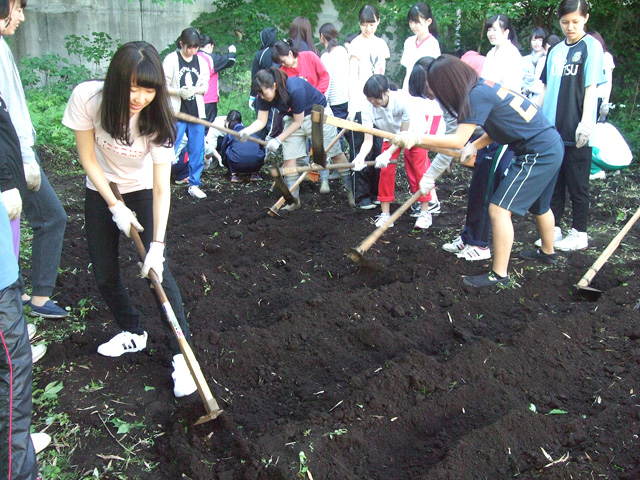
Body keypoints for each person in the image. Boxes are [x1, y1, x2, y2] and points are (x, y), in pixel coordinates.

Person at [62, 41, 197, 398]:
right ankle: (133, 332)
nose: (140, 97)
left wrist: (157, 246)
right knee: (104, 272)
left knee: (158, 274)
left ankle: (181, 357)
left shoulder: (158, 119)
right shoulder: (88, 99)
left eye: (149, 89)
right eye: (133, 87)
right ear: (117, 80)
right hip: (101, 187)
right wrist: (113, 206)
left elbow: (161, 188)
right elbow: (88, 157)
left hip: (139, 188)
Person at [393, 54, 565, 287]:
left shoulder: (474, 96)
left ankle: (499, 276)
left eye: (434, 87)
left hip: (537, 152)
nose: (435, 93)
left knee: (498, 209)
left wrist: (416, 137)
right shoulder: (484, 87)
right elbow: (500, 126)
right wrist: (475, 145)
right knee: (540, 206)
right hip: (550, 144)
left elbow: (456, 140)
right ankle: (548, 252)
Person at [0, 0, 68, 319]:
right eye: (18, 8)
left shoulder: (2, 46)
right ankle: (34, 300)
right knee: (52, 217)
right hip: (13, 158)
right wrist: (26, 159)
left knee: (11, 227)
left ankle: (17, 293)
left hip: (15, 154)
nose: (22, 17)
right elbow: (7, 114)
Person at [441, 14, 520, 262]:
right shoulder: (493, 54)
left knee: (487, 186)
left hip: (501, 129)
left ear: (508, 31)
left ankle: (480, 244)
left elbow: (510, 96)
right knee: (477, 185)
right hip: (488, 125)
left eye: (496, 29)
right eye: (489, 29)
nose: (492, 33)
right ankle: (468, 236)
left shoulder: (512, 56)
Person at [538, 0, 605, 251]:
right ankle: (553, 228)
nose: (570, 27)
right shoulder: (555, 51)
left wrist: (587, 122)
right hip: (552, 129)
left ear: (585, 19)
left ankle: (580, 232)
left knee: (578, 183)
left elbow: (592, 87)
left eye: (575, 22)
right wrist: (534, 117)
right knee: (554, 180)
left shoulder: (591, 47)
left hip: (576, 127)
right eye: (565, 22)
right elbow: (544, 88)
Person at [239, 67, 354, 211]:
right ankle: (293, 201)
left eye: (264, 93)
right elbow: (261, 121)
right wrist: (247, 131)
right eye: (259, 94)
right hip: (291, 118)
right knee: (289, 160)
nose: (262, 97)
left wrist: (278, 139)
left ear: (274, 85)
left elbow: (299, 122)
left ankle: (351, 192)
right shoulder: (262, 97)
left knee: (335, 154)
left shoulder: (294, 89)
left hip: (316, 114)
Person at [352, 74, 440, 230]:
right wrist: (360, 157)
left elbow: (403, 135)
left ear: (387, 92)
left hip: (414, 133)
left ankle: (425, 212)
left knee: (418, 169)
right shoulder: (367, 107)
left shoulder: (403, 101)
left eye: (376, 99)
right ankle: (386, 215)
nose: (373, 102)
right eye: (370, 99)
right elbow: (368, 140)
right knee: (385, 171)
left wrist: (386, 154)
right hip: (390, 135)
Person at [348, 4, 390, 210]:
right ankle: (361, 195)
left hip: (378, 104)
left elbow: (383, 72)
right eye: (364, 25)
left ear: (378, 22)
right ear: (359, 24)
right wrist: (352, 106)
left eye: (372, 24)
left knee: (378, 148)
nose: (368, 28)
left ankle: (376, 193)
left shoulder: (381, 44)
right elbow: (352, 77)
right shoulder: (355, 44)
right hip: (361, 103)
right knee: (360, 147)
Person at [163, 28, 210, 199]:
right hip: (177, 112)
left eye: (196, 47)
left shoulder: (201, 62)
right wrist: (178, 92)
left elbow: (205, 86)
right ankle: (160, 182)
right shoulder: (171, 60)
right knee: (170, 147)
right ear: (181, 44)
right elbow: (163, 85)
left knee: (197, 148)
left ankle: (194, 183)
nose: (192, 51)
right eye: (189, 47)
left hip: (196, 112)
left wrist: (195, 90)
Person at [318, 23, 350, 194]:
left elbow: (327, 82)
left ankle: (325, 180)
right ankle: (339, 172)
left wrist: (324, 102)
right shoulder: (344, 52)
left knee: (328, 140)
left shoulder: (326, 56)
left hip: (333, 103)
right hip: (346, 101)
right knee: (339, 138)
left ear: (322, 37)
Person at [197, 34, 236, 129]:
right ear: (209, 46)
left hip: (193, 100)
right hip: (208, 98)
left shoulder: (192, 57)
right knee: (207, 128)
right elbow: (230, 60)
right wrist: (232, 51)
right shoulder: (210, 58)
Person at [400, 3, 440, 91]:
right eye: (411, 22)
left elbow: (433, 73)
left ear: (428, 21)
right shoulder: (409, 42)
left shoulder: (432, 44)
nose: (413, 26)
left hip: (424, 91)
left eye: (416, 22)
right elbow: (408, 70)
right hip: (407, 90)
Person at [219, 110, 265, 182]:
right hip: (256, 163)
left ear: (227, 122)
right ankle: (254, 173)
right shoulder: (251, 131)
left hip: (237, 163)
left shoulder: (230, 135)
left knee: (228, 149)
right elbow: (262, 146)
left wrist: (229, 167)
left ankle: (235, 174)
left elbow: (223, 154)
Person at [590, 31, 615, 122]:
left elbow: (608, 81)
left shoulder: (606, 57)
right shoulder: (587, 56)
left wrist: (605, 102)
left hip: (599, 96)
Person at [521, 27, 547, 103]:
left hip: (542, 98)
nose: (537, 43)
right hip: (526, 98)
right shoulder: (524, 60)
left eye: (540, 40)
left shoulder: (548, 59)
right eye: (534, 40)